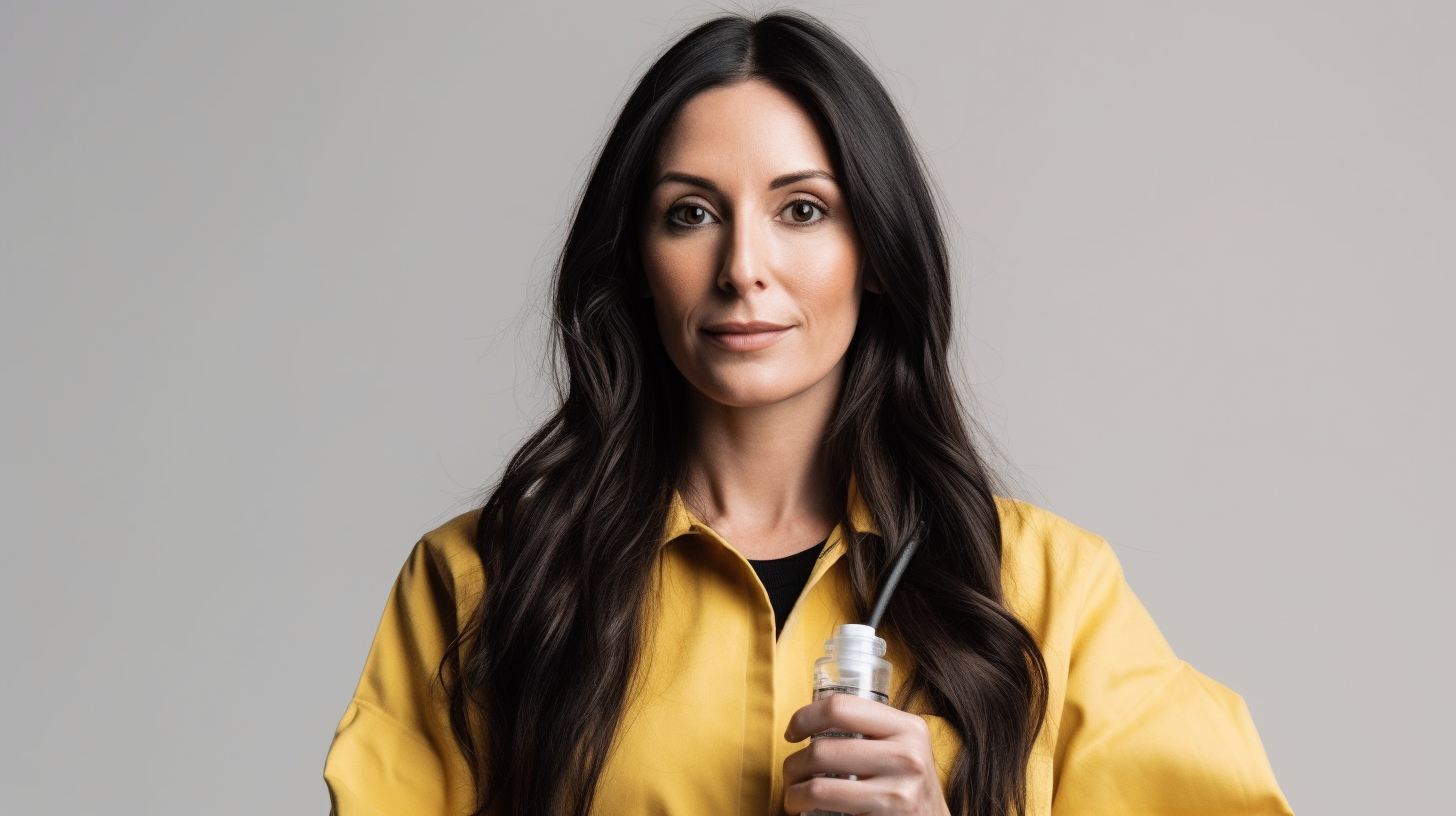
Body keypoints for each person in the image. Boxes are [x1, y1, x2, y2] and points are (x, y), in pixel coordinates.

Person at [323, 11, 1293, 816]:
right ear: (634, 262)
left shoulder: (1048, 595)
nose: (743, 266)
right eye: (690, 212)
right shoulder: (488, 582)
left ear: (873, 250)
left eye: (802, 209)